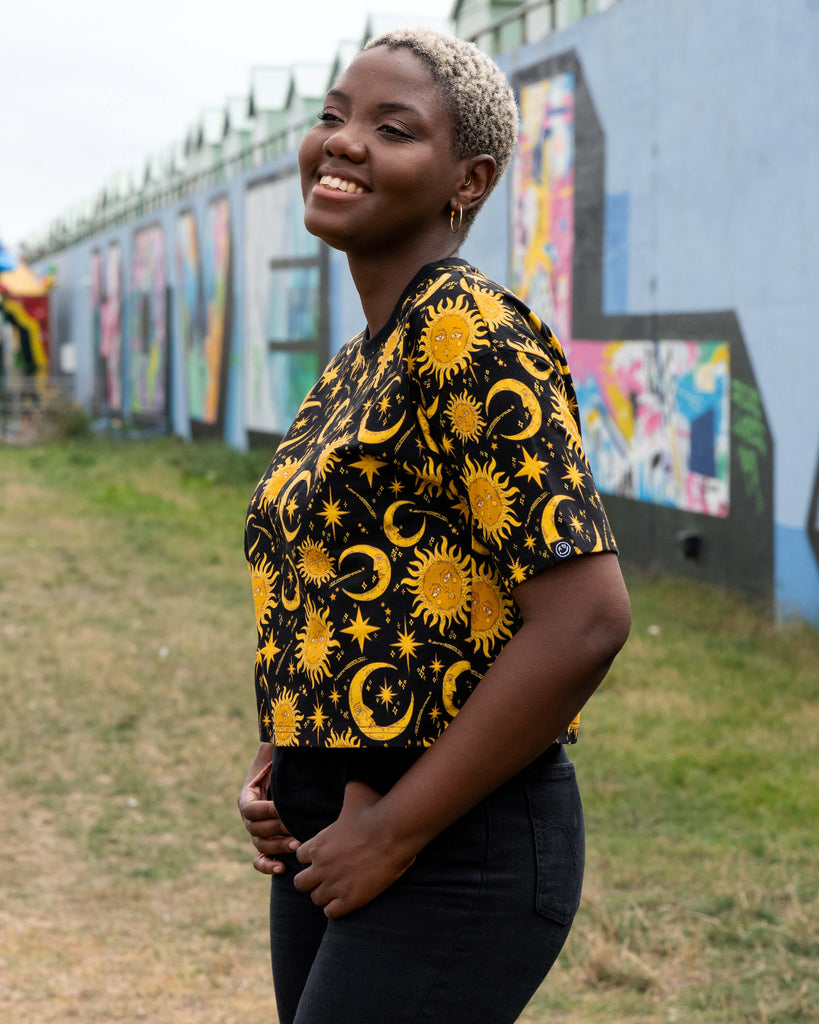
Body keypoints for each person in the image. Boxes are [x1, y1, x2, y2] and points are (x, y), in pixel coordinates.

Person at [238, 27, 631, 1024]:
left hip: (454, 841)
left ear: (469, 177)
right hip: (328, 825)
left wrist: (398, 829)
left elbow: (586, 618)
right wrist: (282, 751)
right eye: (332, 115)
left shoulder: (470, 332)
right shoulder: (356, 361)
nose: (342, 141)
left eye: (391, 126)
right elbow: (345, 585)